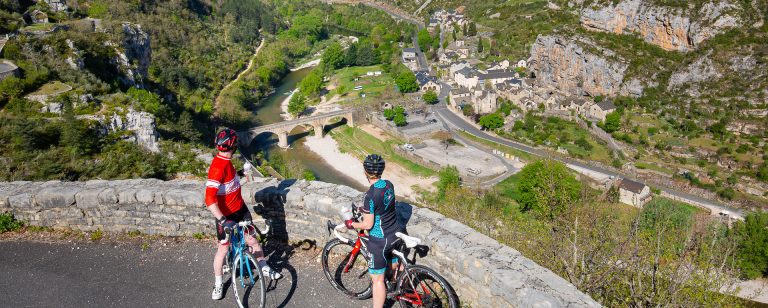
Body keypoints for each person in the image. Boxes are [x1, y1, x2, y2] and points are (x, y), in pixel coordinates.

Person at [206, 128, 282, 301]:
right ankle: (218, 283)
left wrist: (242, 173)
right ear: (232, 146)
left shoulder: (227, 161)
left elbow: (230, 182)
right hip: (225, 216)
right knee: (223, 249)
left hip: (240, 209)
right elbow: (209, 200)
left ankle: (262, 265)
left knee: (252, 240)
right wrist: (223, 220)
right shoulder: (217, 168)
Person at [345, 154, 400, 308]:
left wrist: (351, 224)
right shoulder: (389, 184)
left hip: (380, 240)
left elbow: (368, 225)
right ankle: (400, 287)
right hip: (395, 232)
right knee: (393, 265)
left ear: (365, 172)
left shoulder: (370, 194)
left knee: (378, 280)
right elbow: (384, 206)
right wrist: (365, 209)